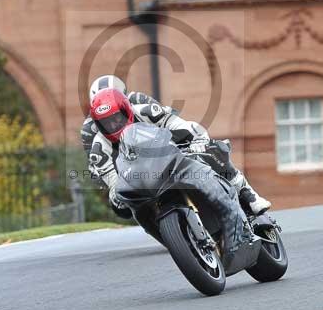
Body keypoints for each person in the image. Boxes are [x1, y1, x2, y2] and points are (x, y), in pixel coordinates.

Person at [85, 83, 271, 219]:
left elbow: (180, 125)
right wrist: (117, 194)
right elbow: (114, 184)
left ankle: (248, 193)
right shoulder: (99, 149)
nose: (113, 125)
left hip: (168, 154)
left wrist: (197, 140)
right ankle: (165, 228)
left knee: (212, 150)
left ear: (126, 109)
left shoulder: (147, 111)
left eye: (116, 118)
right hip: (138, 174)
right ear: (98, 125)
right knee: (122, 206)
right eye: (106, 123)